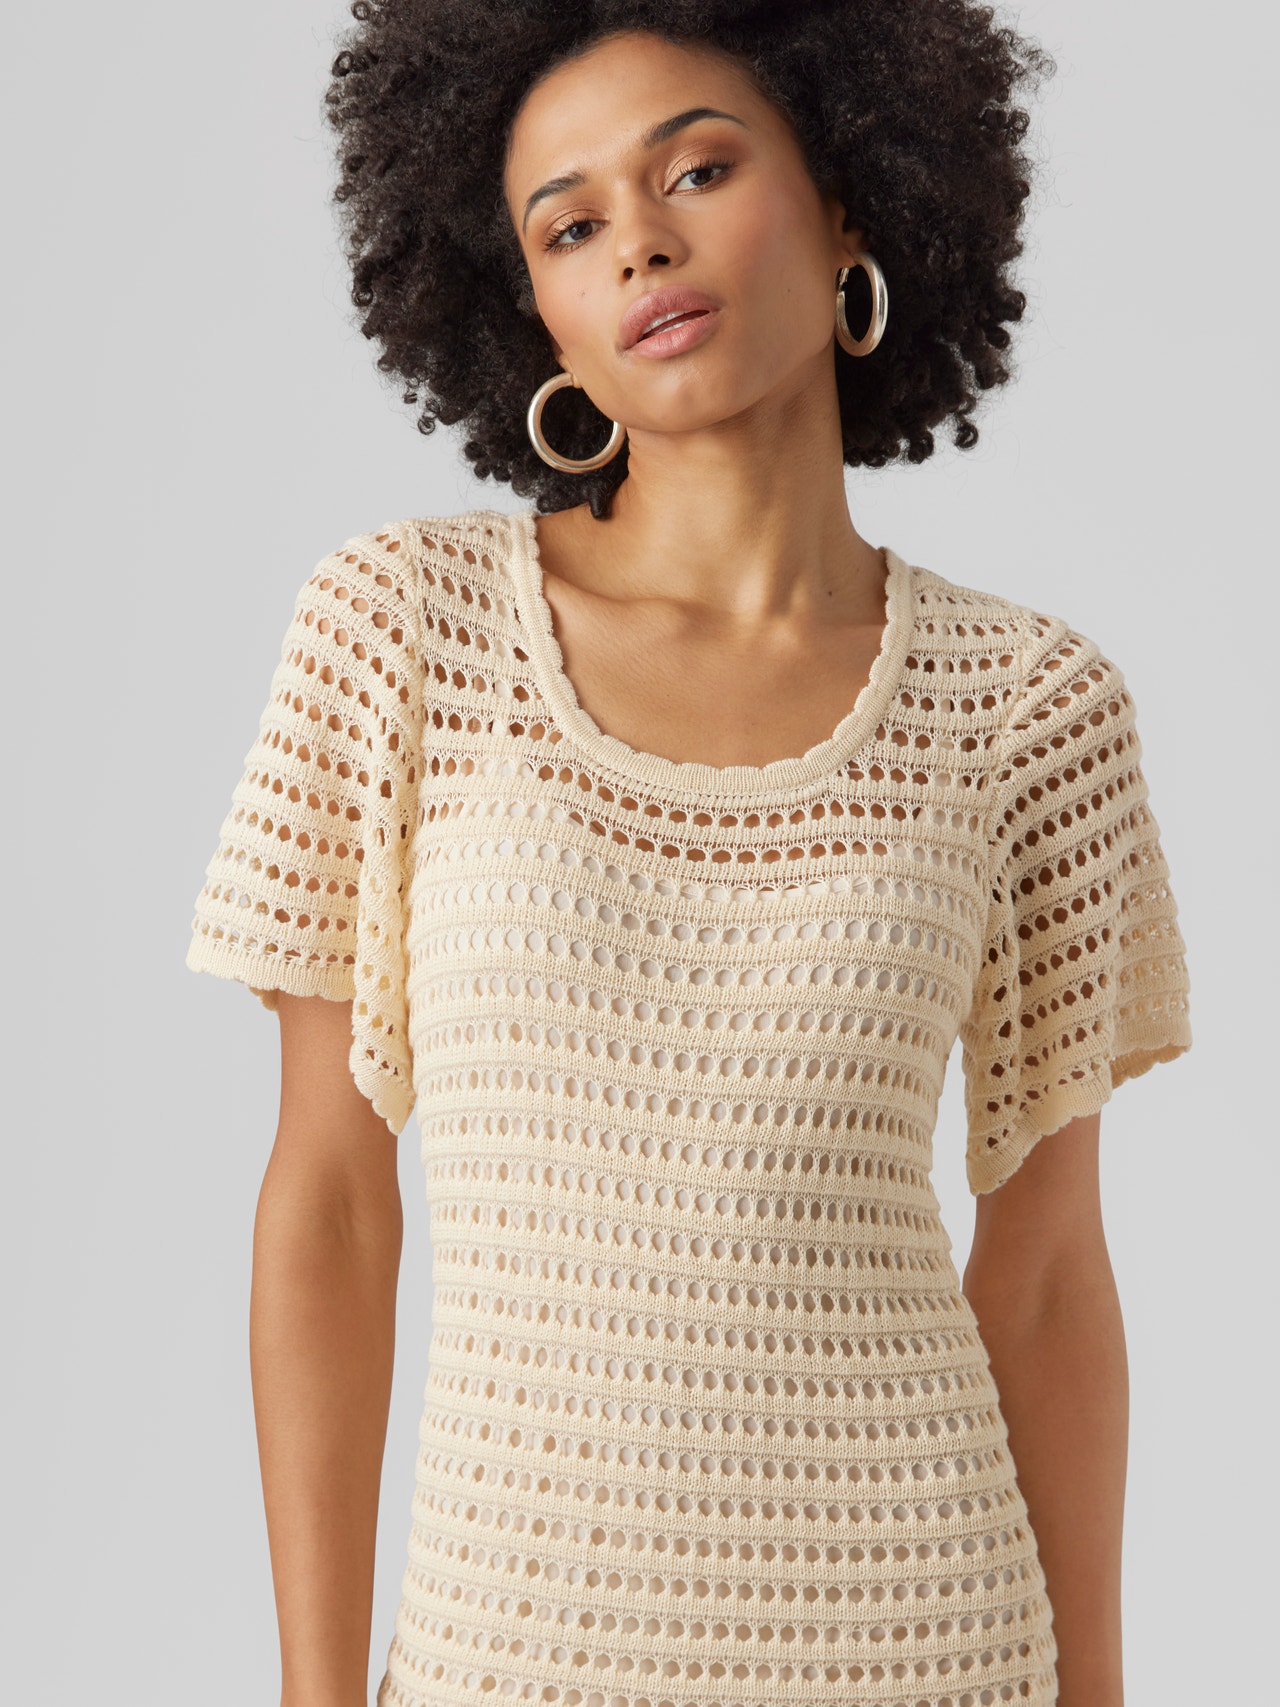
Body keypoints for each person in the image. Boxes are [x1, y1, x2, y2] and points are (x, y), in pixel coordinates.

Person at [185, 7, 1193, 1706]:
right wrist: (314, 1693)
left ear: (853, 202)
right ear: (534, 313)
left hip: (931, 1645)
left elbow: (1044, 1276)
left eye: (699, 172)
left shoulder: (1028, 707)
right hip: (509, 1659)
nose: (639, 242)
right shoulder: (402, 632)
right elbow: (332, 1208)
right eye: (569, 225)